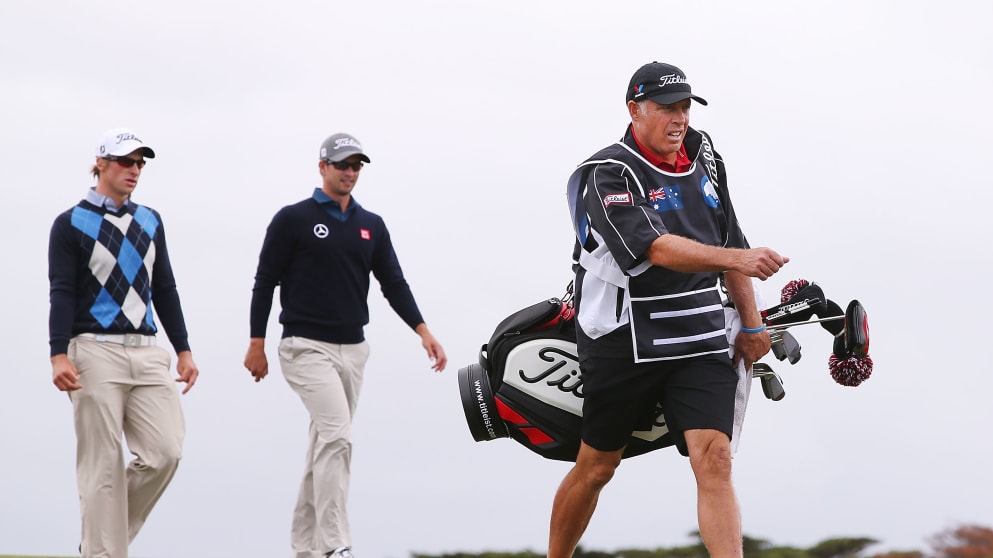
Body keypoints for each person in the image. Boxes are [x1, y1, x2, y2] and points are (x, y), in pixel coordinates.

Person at [555, 62, 790, 558]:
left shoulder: (703, 152)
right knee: (597, 466)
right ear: (635, 110)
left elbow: (731, 235)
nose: (678, 117)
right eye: (666, 107)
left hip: (699, 332)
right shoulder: (606, 171)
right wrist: (737, 259)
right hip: (622, 337)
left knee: (716, 459)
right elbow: (653, 248)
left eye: (684, 106)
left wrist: (751, 322)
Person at [244, 132, 447, 558]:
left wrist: (423, 331)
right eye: (342, 165)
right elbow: (265, 280)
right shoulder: (292, 219)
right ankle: (336, 544)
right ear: (323, 167)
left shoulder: (370, 225)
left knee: (325, 445)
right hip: (303, 348)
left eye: (356, 166)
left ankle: (306, 547)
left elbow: (393, 282)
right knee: (338, 438)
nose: (350, 172)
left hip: (353, 350)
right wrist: (256, 342)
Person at [48, 128, 200, 558]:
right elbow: (62, 290)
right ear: (100, 164)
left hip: (148, 352)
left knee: (165, 452)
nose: (134, 170)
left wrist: (184, 349)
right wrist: (58, 353)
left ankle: (101, 538)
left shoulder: (150, 220)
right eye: (125, 162)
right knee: (103, 467)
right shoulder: (70, 223)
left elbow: (164, 287)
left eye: (140, 163)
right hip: (92, 352)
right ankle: (103, 551)